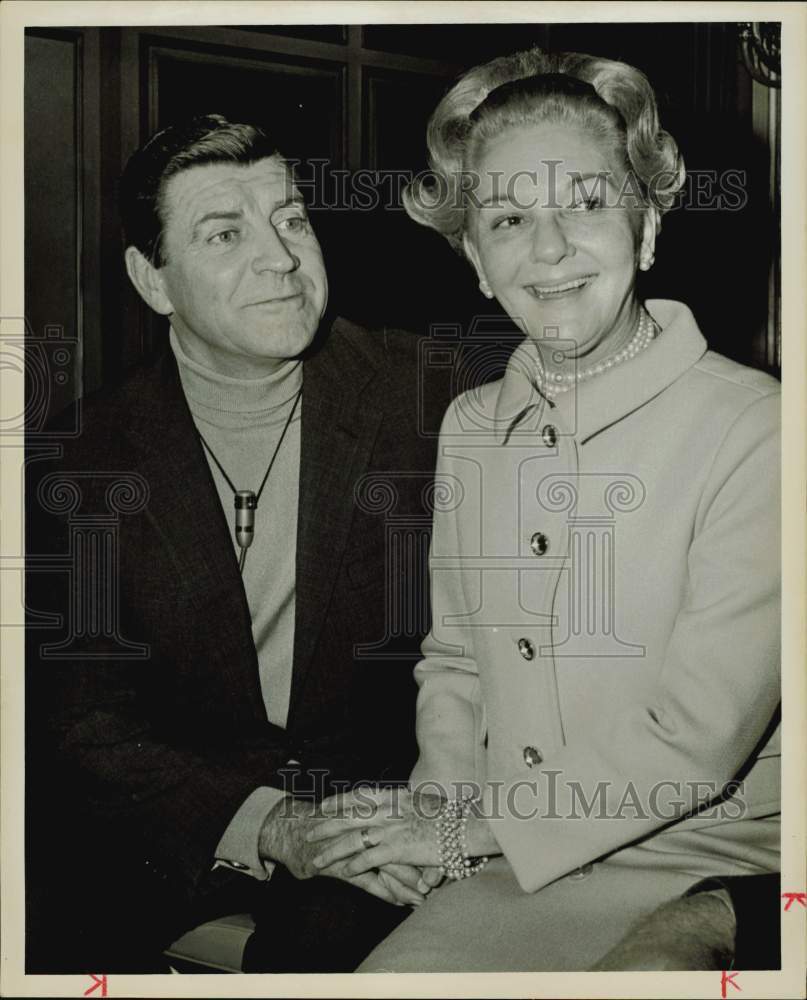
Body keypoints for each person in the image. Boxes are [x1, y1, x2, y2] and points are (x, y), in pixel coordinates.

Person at [301, 48, 781, 971]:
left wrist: (465, 834)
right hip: (509, 857)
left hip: (704, 859)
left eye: (588, 205)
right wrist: (439, 811)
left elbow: (691, 743)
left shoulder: (757, 431)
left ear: (645, 229)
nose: (549, 248)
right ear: (475, 259)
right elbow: (455, 663)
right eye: (510, 218)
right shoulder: (474, 426)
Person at [24, 114, 451, 973]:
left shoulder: (436, 395)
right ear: (153, 280)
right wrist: (270, 822)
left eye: (291, 219)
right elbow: (82, 725)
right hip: (173, 832)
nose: (281, 258)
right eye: (225, 232)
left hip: (384, 825)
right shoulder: (80, 457)